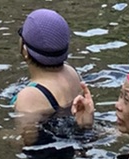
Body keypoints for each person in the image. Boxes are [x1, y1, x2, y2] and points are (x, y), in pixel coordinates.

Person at [12, 9, 94, 148]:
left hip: (46, 158)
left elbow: (27, 140)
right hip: (72, 146)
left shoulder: (29, 96)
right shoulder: (72, 73)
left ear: (25, 51)